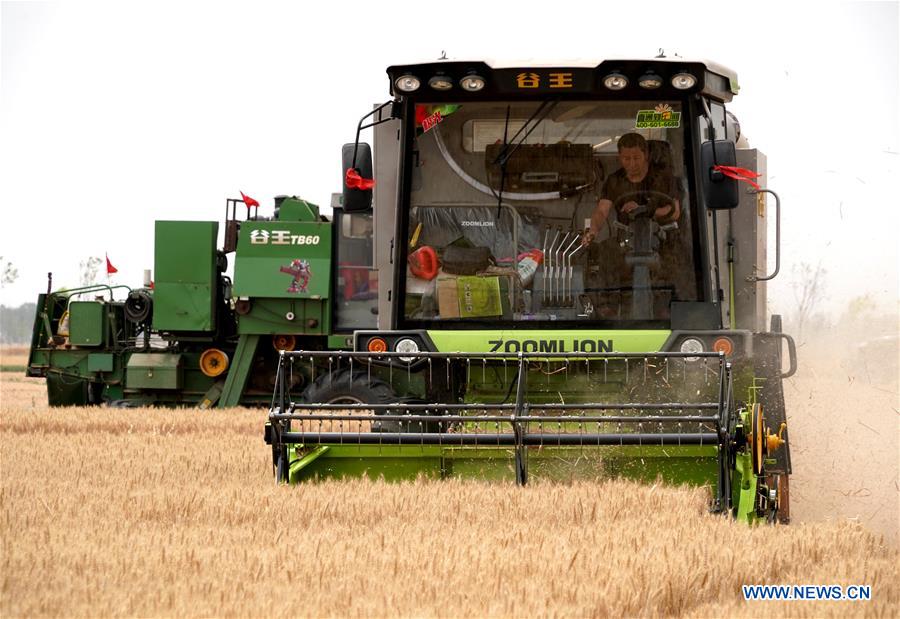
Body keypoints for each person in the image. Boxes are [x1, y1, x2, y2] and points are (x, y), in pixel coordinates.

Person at [582, 133, 681, 245]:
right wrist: (593, 231)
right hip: (627, 242)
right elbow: (601, 211)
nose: (632, 164)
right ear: (619, 157)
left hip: (661, 241)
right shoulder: (614, 181)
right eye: (626, 159)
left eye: (636, 158)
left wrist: (643, 210)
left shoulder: (664, 178)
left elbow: (675, 212)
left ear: (646, 155)